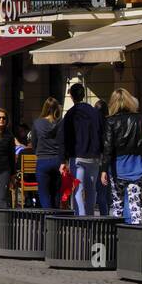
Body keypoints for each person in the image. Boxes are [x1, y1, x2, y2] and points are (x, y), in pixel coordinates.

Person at [101, 88, 142, 224]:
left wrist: (104, 169)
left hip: (117, 166)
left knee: (117, 203)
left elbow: (108, 147)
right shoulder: (140, 119)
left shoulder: (110, 121)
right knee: (135, 201)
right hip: (136, 164)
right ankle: (136, 230)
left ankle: (118, 231)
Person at [60, 83, 103, 215]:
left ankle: (81, 216)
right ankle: (90, 215)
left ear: (72, 97)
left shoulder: (70, 115)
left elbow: (64, 138)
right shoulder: (95, 113)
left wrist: (63, 159)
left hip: (77, 155)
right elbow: (102, 132)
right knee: (91, 189)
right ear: (83, 95)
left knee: (77, 189)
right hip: (94, 156)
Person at [29, 98, 63, 208]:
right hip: (57, 160)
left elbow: (34, 143)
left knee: (44, 193)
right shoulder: (60, 123)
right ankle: (56, 218)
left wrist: (38, 153)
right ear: (57, 108)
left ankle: (47, 217)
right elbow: (64, 142)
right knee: (56, 192)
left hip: (42, 160)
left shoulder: (37, 123)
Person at [0, 108, 24, 208]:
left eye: (4, 118)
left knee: (3, 195)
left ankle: (3, 218)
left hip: (4, 168)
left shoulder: (9, 136)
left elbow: (11, 156)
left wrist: (13, 174)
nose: (1, 120)